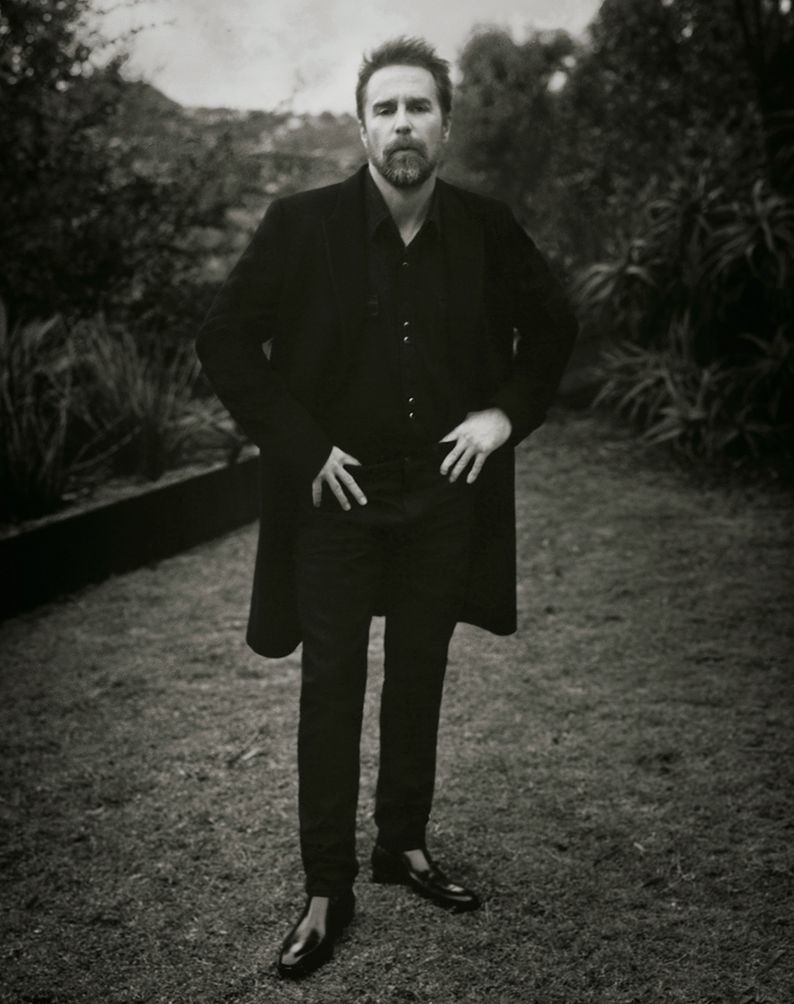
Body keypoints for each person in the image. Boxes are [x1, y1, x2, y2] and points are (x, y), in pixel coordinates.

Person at [196, 36, 578, 978]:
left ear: (445, 124)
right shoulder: (300, 224)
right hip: (336, 499)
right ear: (361, 125)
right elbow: (225, 340)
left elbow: (558, 322)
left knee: (418, 674)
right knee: (332, 690)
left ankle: (401, 846)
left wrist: (505, 414)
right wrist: (301, 446)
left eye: (418, 107)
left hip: (442, 498)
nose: (402, 123)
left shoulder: (487, 227)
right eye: (385, 108)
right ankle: (328, 887)